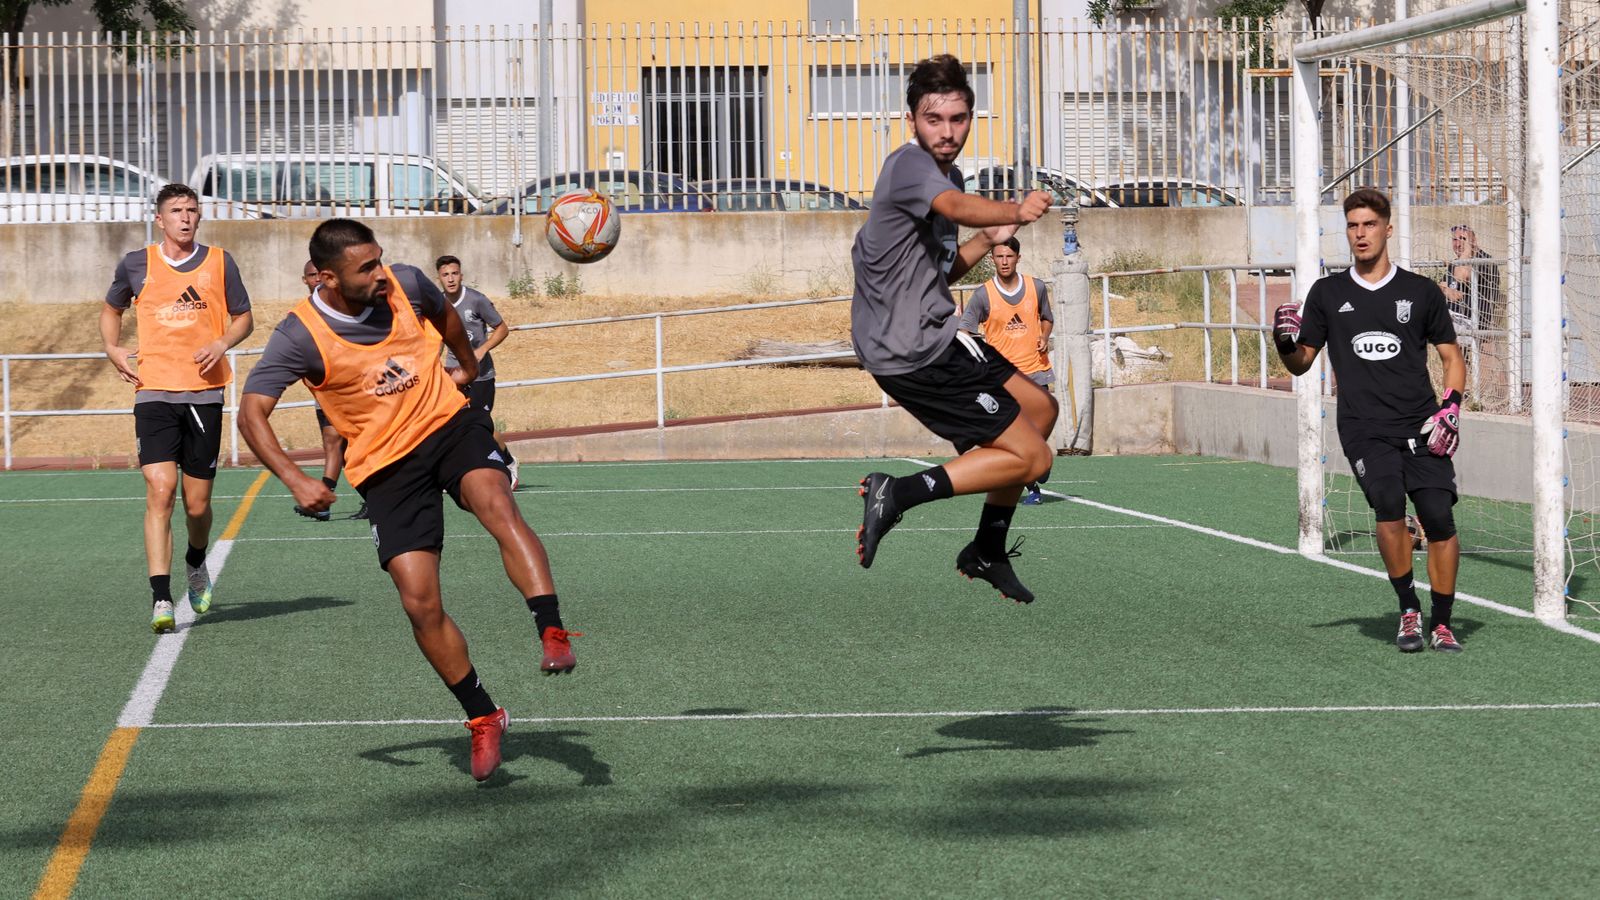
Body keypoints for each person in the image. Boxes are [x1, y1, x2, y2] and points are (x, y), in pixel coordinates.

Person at [238, 219, 580, 781]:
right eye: (365, 267)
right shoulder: (299, 335)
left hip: (446, 425)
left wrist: (467, 365)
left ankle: (553, 631)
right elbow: (252, 412)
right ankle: (483, 715)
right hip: (385, 467)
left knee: (496, 501)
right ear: (326, 277)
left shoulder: (407, 283)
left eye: (380, 260)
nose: (381, 274)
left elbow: (444, 317)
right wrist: (296, 480)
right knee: (419, 603)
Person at [851, 54, 1057, 604]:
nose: (947, 132)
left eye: (958, 118)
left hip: (936, 335)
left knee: (1041, 412)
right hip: (914, 352)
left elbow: (942, 271)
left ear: (970, 117)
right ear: (913, 120)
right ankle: (897, 493)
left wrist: (990, 243)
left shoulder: (947, 173)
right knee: (1035, 458)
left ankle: (986, 549)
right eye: (933, 119)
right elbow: (957, 206)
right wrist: (1011, 209)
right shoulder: (910, 167)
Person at [1274, 188, 1467, 653]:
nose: (1360, 234)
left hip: (1421, 424)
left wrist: (1452, 406)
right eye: (1353, 226)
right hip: (1363, 427)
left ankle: (1441, 622)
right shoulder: (1328, 293)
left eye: (1369, 225)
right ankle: (1407, 610)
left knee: (1438, 517)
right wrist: (1283, 343)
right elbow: (1302, 363)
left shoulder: (1420, 292)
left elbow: (1451, 356)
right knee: (1387, 504)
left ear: (1387, 228)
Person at [101, 182, 254, 634]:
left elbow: (244, 317)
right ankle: (161, 598)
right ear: (160, 218)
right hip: (153, 391)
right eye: (176, 210)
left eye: (192, 209)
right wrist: (112, 348)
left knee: (197, 504)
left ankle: (195, 560)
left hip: (204, 394)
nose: (185, 217)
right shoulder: (135, 263)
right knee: (161, 488)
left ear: (199, 216)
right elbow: (112, 309)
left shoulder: (220, 262)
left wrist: (223, 340)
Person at [958, 237, 1055, 505]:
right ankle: (1033, 488)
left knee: (1037, 432)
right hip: (1003, 378)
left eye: (1008, 256)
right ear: (992, 259)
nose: (1004, 261)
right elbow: (965, 330)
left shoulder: (1036, 287)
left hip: (1035, 371)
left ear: (1017, 258)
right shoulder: (983, 295)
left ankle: (1041, 462)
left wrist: (1045, 336)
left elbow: (1047, 318)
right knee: (1014, 438)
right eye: (999, 257)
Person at [436, 254, 517, 490]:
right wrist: (433, 360)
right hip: (454, 375)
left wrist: (481, 350)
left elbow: (502, 329)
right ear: (439, 278)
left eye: (454, 273)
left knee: (482, 425)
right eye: (445, 275)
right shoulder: (438, 304)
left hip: (481, 375)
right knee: (450, 424)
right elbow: (439, 337)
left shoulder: (476, 300)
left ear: (461, 275)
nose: (450, 279)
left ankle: (509, 462)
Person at [294, 258, 355, 523]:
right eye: (311, 275)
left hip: (347, 391)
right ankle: (329, 501)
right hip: (323, 392)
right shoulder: (301, 314)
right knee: (338, 447)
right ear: (305, 280)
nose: (316, 279)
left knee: (339, 445)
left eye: (320, 274)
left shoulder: (341, 307)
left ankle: (324, 501)